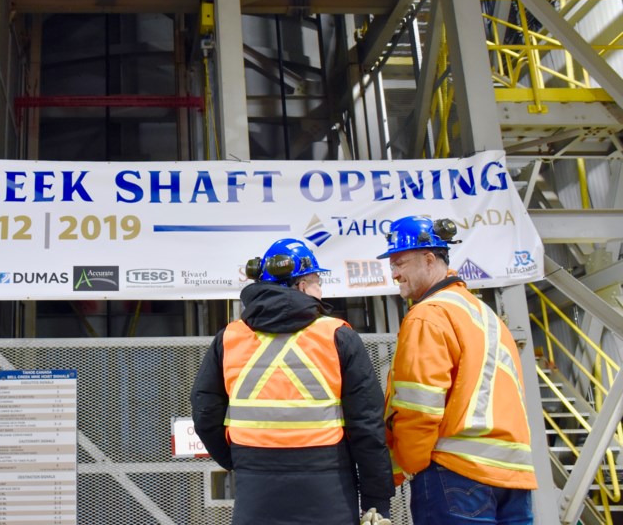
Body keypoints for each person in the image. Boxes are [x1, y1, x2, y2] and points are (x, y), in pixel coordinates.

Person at [190, 238, 394, 525]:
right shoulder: (337, 336)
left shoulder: (229, 338)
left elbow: (205, 415)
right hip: (329, 491)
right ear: (301, 286)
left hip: (255, 491)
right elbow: (367, 425)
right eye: (316, 282)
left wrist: (241, 463)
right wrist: (376, 500)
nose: (321, 290)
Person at [379, 216, 538, 524]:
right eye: (392, 265)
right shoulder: (484, 314)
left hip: (457, 473)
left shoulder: (428, 315)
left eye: (400, 262)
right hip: (514, 476)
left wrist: (412, 463)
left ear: (428, 259)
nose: (395, 273)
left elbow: (419, 405)